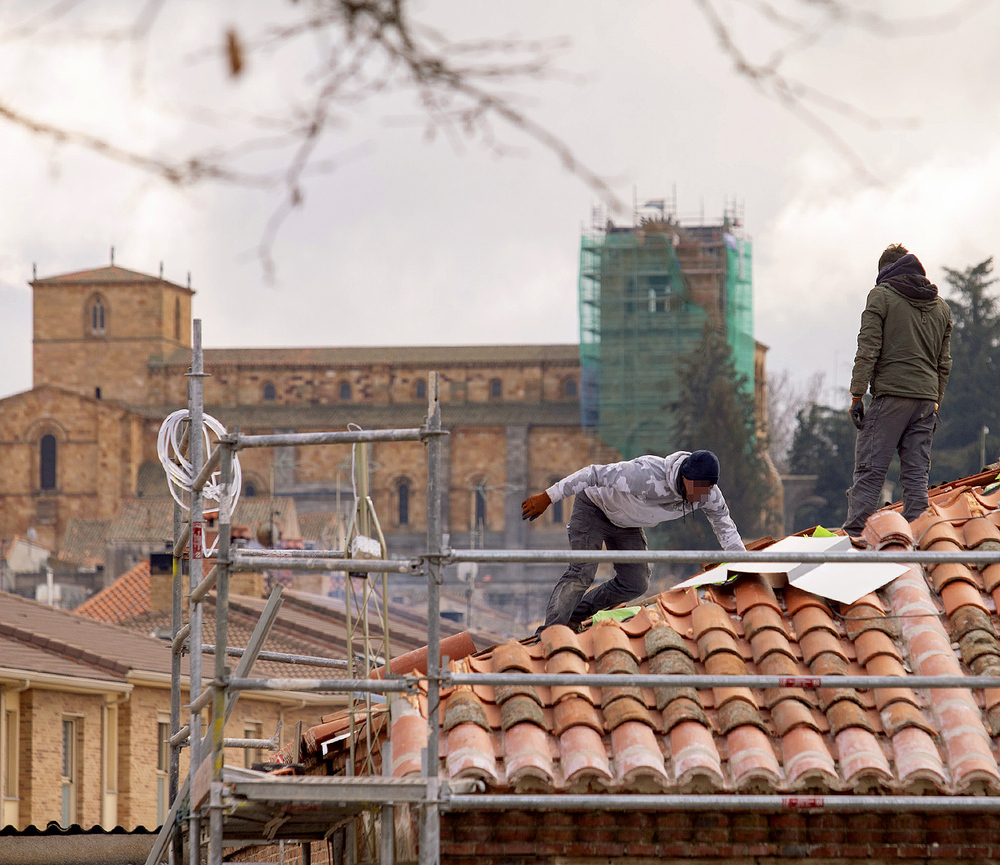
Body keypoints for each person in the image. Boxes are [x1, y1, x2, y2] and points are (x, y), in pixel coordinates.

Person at [522, 449, 745, 633]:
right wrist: (548, 497)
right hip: (594, 507)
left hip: (626, 523)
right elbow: (592, 474)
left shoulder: (708, 495)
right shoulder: (645, 476)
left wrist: (742, 566)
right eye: (696, 488)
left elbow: (724, 526)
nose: (700, 496)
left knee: (636, 582)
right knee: (583, 571)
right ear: (685, 477)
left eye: (706, 490)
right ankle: (552, 632)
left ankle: (574, 616)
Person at [843, 243, 952, 540]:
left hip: (892, 396)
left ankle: (854, 541)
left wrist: (856, 394)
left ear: (884, 271)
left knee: (870, 472)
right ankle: (921, 538)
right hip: (926, 402)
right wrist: (935, 401)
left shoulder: (881, 296)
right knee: (917, 477)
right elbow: (944, 363)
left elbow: (868, 349)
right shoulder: (941, 306)